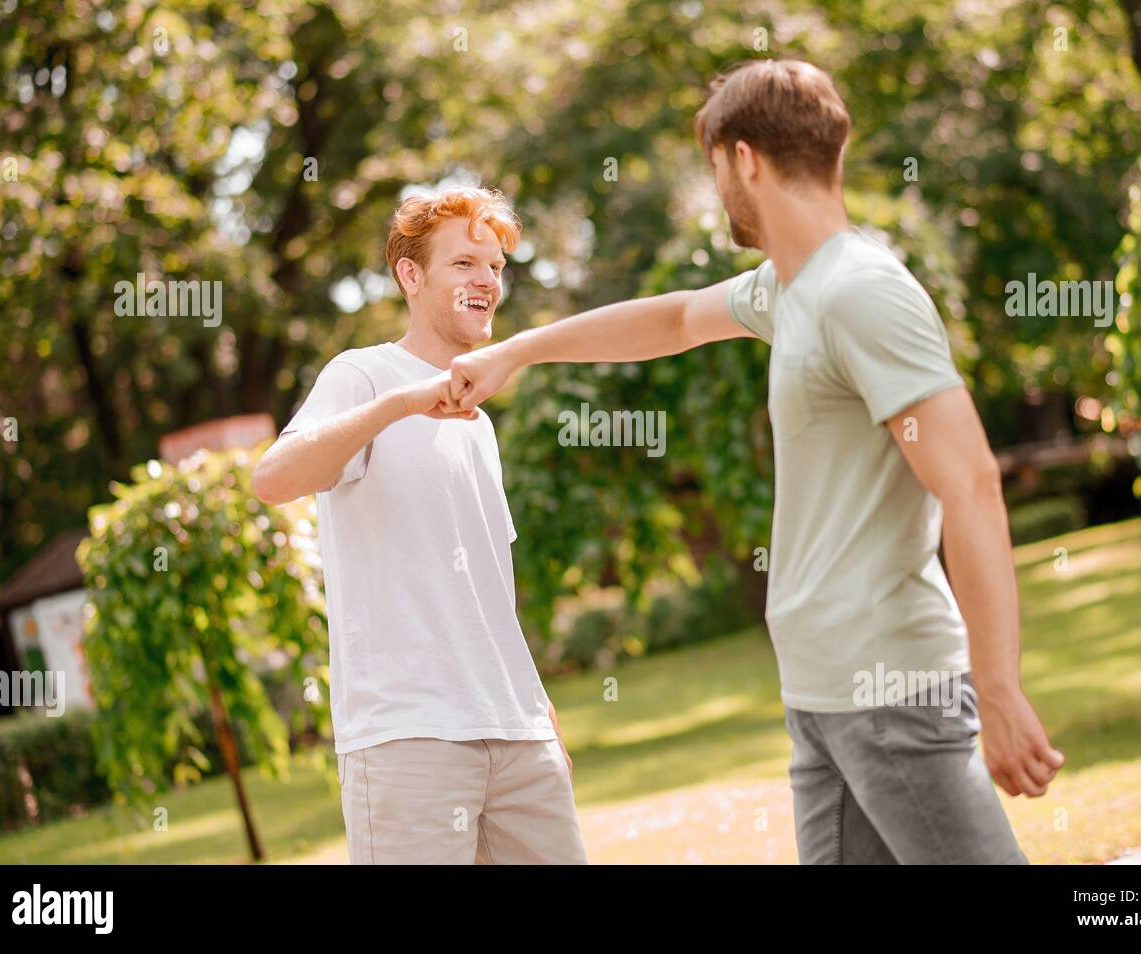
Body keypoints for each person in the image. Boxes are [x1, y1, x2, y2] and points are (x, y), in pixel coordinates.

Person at [447, 59, 1064, 864]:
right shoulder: (791, 288)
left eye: (713, 168)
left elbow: (971, 481)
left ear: (743, 159)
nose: (718, 191)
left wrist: (1000, 687)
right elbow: (671, 320)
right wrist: (518, 354)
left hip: (891, 687)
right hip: (822, 697)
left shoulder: (860, 290)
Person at [252, 187, 586, 865]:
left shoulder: (482, 426)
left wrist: (540, 714)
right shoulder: (362, 376)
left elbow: (490, 591)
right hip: (409, 739)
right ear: (411, 275)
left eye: (495, 267)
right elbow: (273, 479)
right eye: (465, 264)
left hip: (518, 736)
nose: (487, 282)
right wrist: (402, 404)